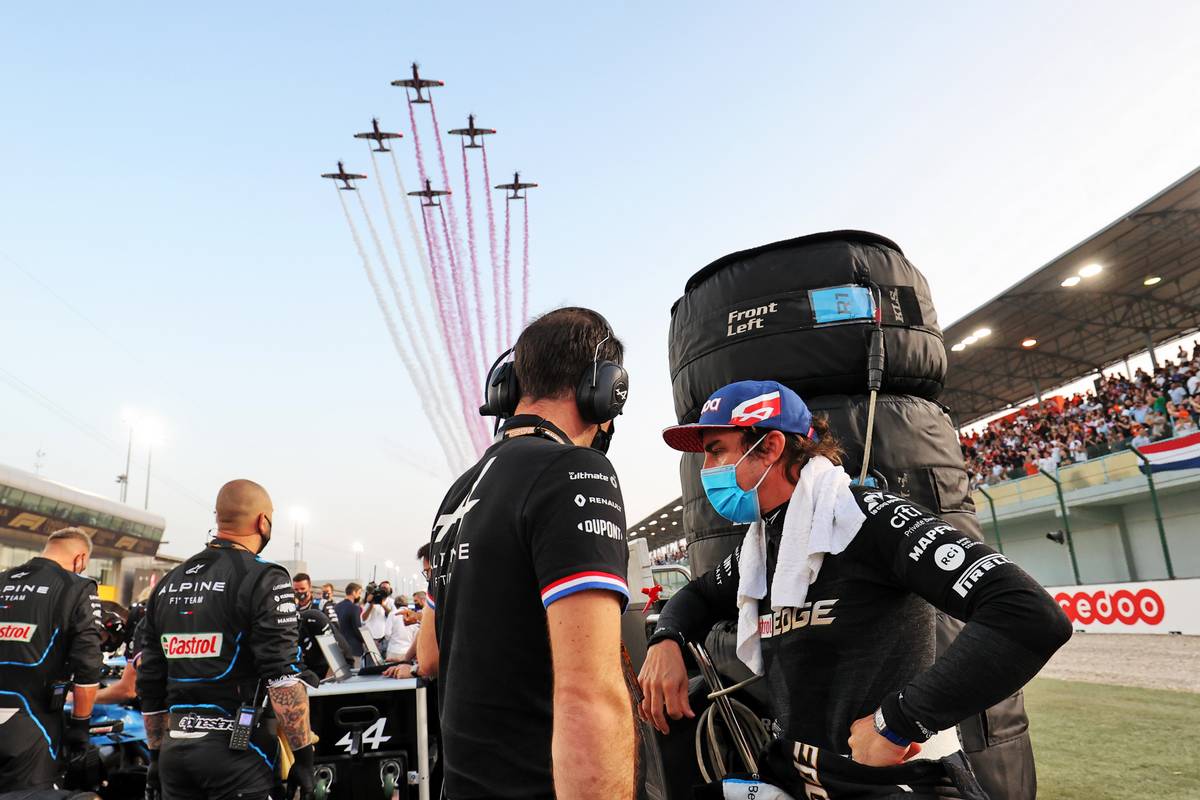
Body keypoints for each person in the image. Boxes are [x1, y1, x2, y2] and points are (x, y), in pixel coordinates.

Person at [639, 381, 1073, 798]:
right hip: (806, 775)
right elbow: (695, 596)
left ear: (769, 446)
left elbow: (1028, 614)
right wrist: (667, 641)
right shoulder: (764, 546)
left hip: (892, 778)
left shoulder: (868, 519)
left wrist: (897, 720)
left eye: (717, 452)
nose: (707, 471)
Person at [424, 307, 635, 799]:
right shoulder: (576, 470)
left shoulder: (457, 494)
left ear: (507, 388)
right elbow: (590, 696)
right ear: (605, 391)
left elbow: (429, 655)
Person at [137, 480, 315, 800]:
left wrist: (155, 757)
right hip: (238, 757)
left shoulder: (167, 582)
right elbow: (283, 677)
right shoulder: (265, 577)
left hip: (175, 754)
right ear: (263, 521)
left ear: (218, 518)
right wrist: (304, 758)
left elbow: (149, 679)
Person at [0, 528, 103, 791]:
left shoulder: (2, 580)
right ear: (80, 559)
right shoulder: (77, 586)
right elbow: (88, 665)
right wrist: (80, 728)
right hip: (34, 726)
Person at [292, 573, 351, 679]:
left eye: (302, 588)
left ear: (309, 587)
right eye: (296, 590)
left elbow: (335, 628)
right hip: (307, 662)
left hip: (326, 659)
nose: (299, 592)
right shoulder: (293, 610)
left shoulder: (322, 604)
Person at [333, 583, 365, 665]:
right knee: (355, 675)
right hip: (354, 648)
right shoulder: (355, 608)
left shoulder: (336, 607)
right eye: (359, 593)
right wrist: (365, 640)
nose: (359, 595)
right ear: (354, 592)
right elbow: (357, 629)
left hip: (340, 647)